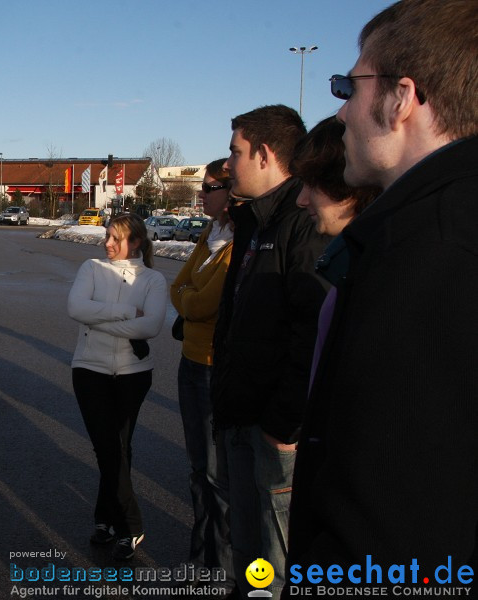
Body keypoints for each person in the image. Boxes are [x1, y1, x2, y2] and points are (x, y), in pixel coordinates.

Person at [285, 0, 478, 590]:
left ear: (401, 99)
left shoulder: (431, 251)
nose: (340, 110)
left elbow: (388, 523)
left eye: (349, 84)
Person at [210, 105, 331, 596]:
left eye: (236, 152)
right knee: (247, 556)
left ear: (263, 154)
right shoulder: (255, 221)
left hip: (272, 432)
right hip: (241, 417)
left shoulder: (299, 221)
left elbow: (311, 333)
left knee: (273, 567)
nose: (228, 164)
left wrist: (283, 424)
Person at [67, 213, 166, 561]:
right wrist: (126, 312)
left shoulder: (153, 279)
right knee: (106, 446)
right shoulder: (91, 268)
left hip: (133, 373)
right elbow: (75, 307)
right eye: (107, 236)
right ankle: (131, 526)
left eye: (116, 238)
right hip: (89, 369)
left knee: (119, 446)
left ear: (136, 242)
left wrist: (100, 320)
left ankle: (104, 518)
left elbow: (151, 326)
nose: (107, 243)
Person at [170, 159, 234, 586]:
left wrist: (189, 299)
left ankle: (220, 570)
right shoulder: (211, 234)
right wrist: (190, 298)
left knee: (216, 475)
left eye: (211, 187)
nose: (203, 194)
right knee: (198, 469)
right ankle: (202, 559)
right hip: (190, 362)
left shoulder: (237, 240)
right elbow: (178, 286)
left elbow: (201, 302)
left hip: (213, 368)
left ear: (231, 192)